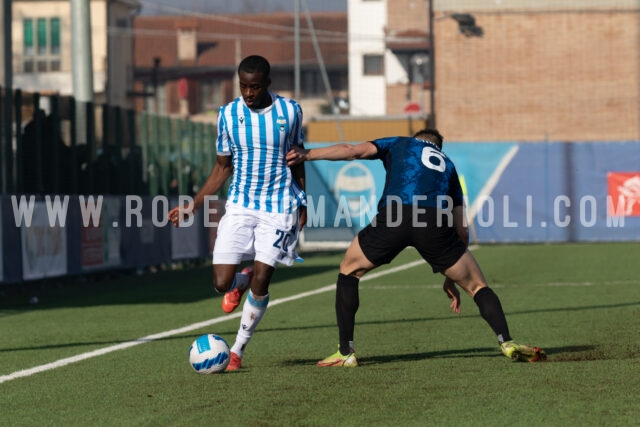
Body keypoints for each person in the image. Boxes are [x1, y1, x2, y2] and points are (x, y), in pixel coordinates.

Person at [286, 128, 545, 367]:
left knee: (348, 271)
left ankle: (346, 352)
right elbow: (461, 229)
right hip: (433, 221)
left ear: (416, 138)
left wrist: (307, 154)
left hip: (395, 215)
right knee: (478, 287)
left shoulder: (401, 143)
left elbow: (352, 150)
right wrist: (450, 275)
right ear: (438, 149)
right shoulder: (448, 166)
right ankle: (507, 341)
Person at [169, 55, 307, 371]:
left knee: (263, 277)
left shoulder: (290, 111)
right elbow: (222, 167)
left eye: (255, 87)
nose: (248, 93)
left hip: (278, 207)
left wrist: (303, 201)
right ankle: (238, 280)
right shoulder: (228, 115)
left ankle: (237, 351)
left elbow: (296, 158)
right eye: (243, 86)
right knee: (221, 282)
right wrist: (194, 205)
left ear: (267, 84)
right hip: (241, 206)